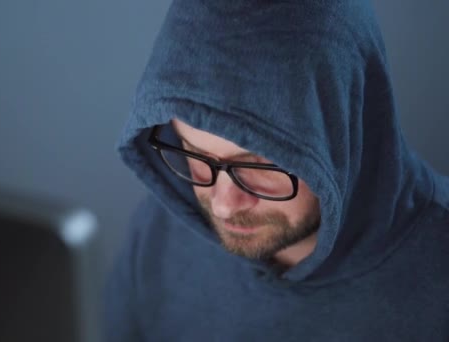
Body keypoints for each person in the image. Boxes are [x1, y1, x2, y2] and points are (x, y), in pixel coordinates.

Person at [105, 0, 449, 341]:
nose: (224, 204)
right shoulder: (159, 234)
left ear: (346, 126)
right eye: (196, 155)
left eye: (260, 164)